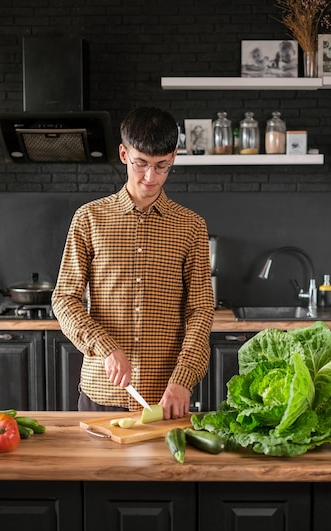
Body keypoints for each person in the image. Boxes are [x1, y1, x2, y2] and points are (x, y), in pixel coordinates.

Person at [52, 106, 215, 419]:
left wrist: (183, 379)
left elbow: (200, 310)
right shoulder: (90, 218)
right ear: (124, 154)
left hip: (166, 396)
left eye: (162, 166)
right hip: (102, 391)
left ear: (174, 158)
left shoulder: (191, 226)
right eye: (141, 163)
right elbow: (64, 299)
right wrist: (105, 345)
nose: (150, 176)